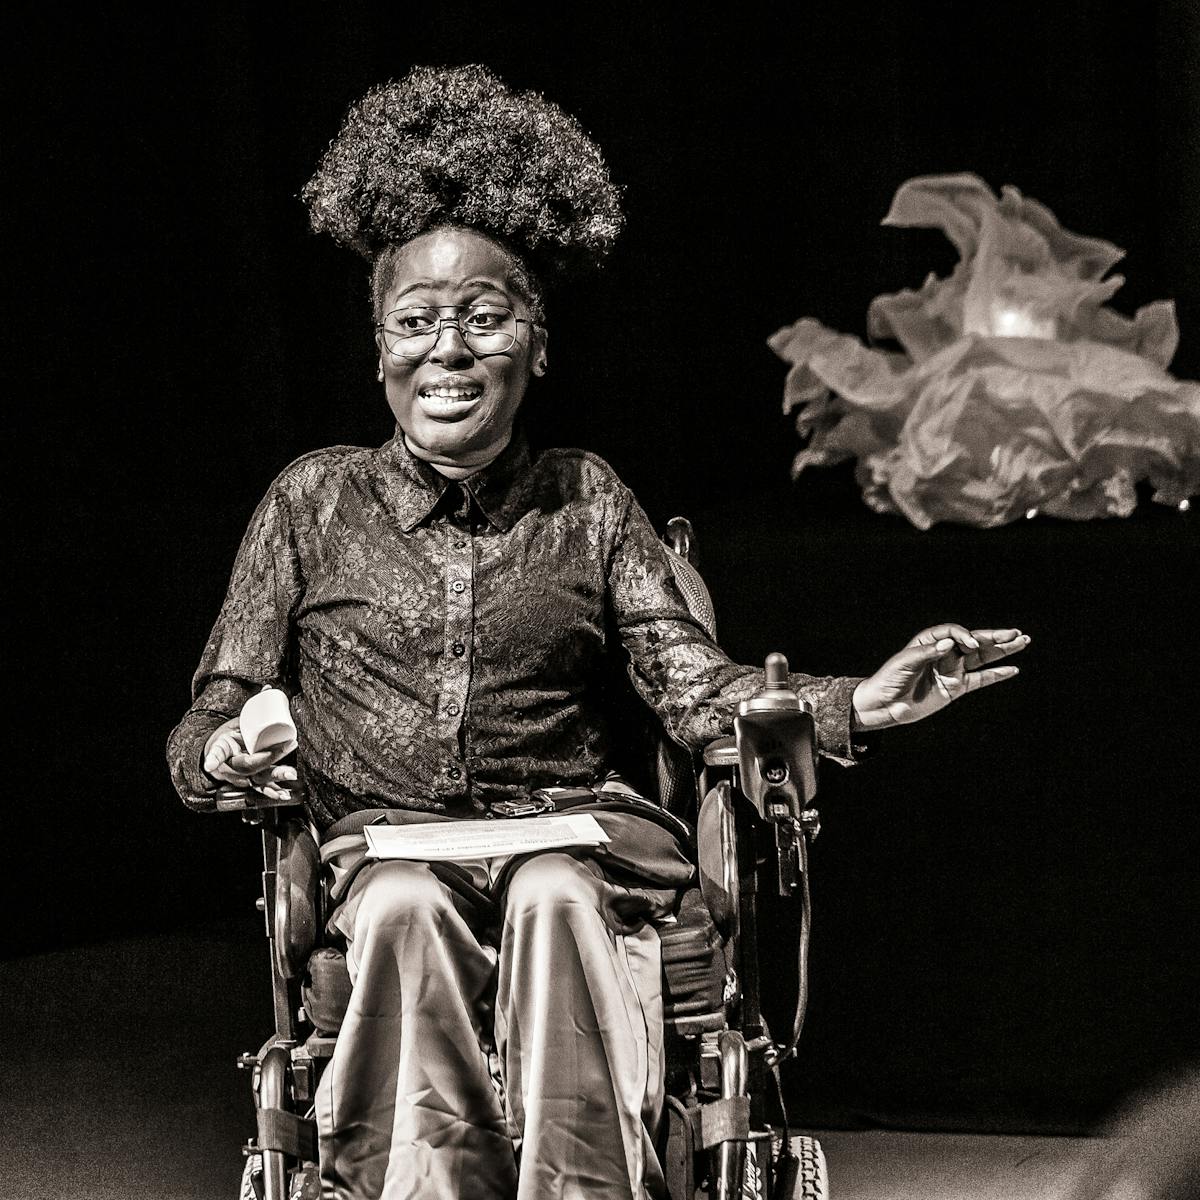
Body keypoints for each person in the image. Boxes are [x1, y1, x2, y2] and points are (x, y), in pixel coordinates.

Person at [167, 66, 1029, 1200]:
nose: (449, 350)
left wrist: (857, 701)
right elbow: (206, 723)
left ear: (537, 344)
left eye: (484, 316)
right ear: (379, 352)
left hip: (568, 844)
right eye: (416, 323)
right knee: (403, 911)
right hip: (382, 853)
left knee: (557, 896)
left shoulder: (586, 498)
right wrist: (228, 754)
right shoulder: (312, 505)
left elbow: (692, 688)